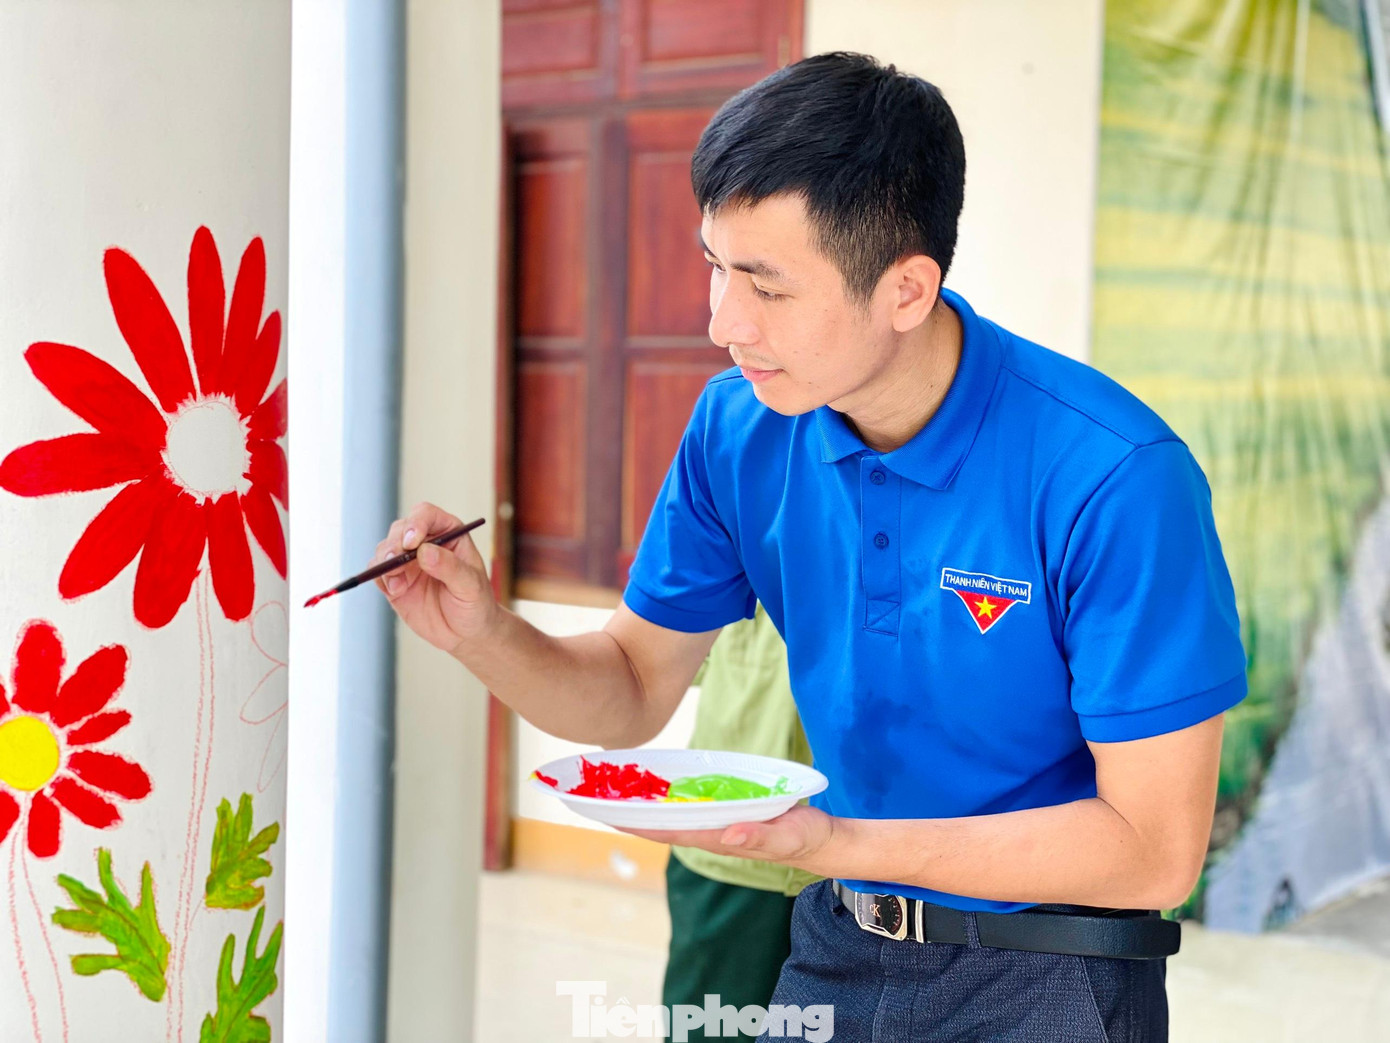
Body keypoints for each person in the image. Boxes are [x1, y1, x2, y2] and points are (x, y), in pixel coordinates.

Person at [374, 52, 1245, 1041]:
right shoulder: (738, 429)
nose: (720, 323)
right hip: (835, 945)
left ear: (906, 289)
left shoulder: (1113, 474)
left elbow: (1152, 848)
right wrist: (480, 628)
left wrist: (834, 837)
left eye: (766, 287)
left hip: (1051, 975)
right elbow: (624, 686)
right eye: (715, 267)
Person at [664, 605, 817, 1040]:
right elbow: (652, 659)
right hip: (729, 850)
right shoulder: (727, 537)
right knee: (714, 1028)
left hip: (866, 861)